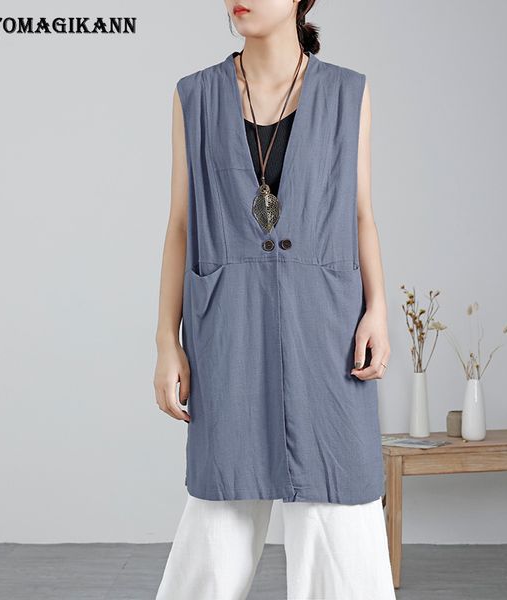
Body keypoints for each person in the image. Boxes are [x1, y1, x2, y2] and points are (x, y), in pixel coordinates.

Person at [153, 1, 395, 598]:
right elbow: (180, 224)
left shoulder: (347, 93)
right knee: (220, 505)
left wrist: (378, 310)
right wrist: (166, 340)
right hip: (227, 323)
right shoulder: (194, 96)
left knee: (337, 503)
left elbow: (361, 213)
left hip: (327, 323)